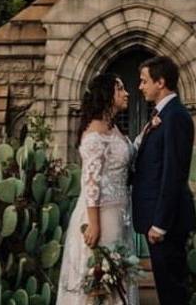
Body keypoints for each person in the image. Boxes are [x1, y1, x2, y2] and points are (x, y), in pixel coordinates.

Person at [57, 73, 139, 305]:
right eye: (120, 89)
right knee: (103, 277)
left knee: (118, 276)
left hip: (119, 212)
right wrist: (94, 223)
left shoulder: (112, 129)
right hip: (101, 214)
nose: (127, 93)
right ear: (107, 95)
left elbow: (128, 154)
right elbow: (91, 181)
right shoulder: (94, 133)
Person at [132, 56, 196, 305]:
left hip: (167, 223)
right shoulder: (163, 115)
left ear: (161, 82)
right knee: (167, 290)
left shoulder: (175, 116)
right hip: (159, 220)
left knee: (173, 293)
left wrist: (160, 224)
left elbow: (173, 173)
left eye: (144, 81)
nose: (140, 87)